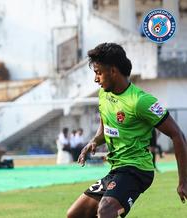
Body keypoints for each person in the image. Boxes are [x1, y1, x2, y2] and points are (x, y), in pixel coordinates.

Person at [67, 43, 187, 218]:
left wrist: (184, 181)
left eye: (98, 72)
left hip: (137, 169)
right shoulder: (103, 94)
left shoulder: (141, 101)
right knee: (75, 214)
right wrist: (93, 141)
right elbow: (105, 127)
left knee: (106, 210)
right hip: (117, 170)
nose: (95, 79)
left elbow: (178, 135)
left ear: (113, 71)